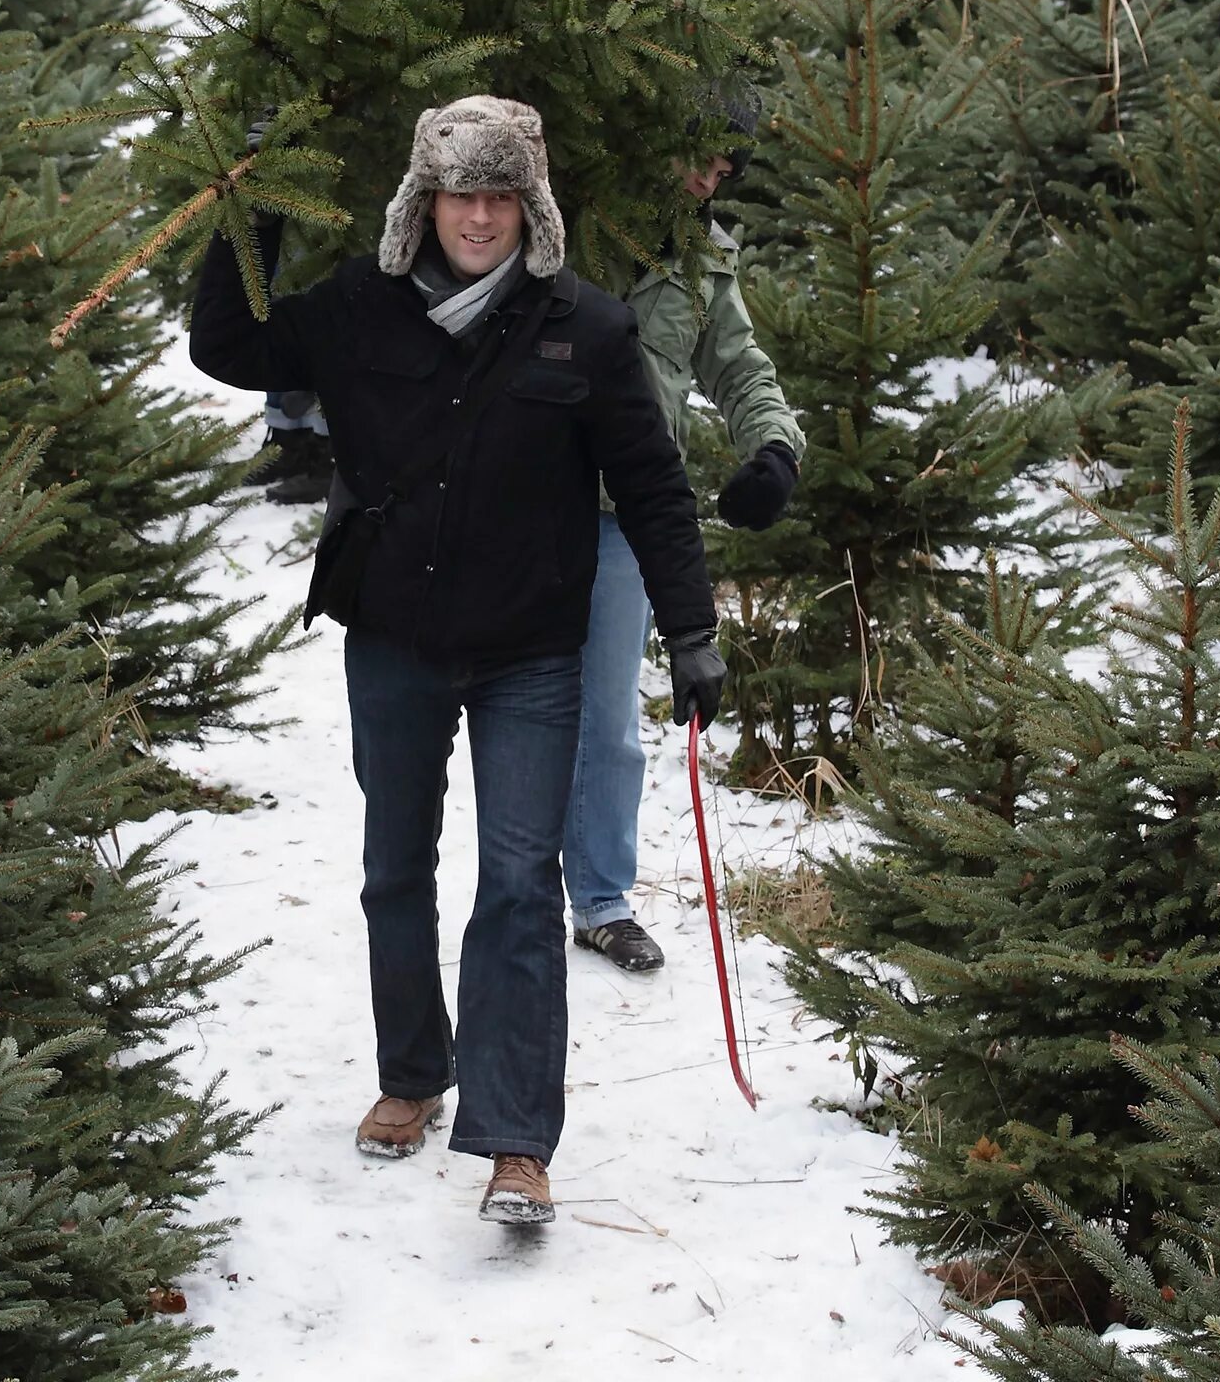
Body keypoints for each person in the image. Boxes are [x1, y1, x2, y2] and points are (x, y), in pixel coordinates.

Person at [189, 95, 725, 1228]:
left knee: (522, 885)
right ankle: (413, 1071)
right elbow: (229, 346)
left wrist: (690, 628)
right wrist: (256, 205)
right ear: (421, 201)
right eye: (458, 193)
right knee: (394, 865)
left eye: (499, 195)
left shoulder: (587, 327)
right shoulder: (357, 308)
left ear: (530, 205)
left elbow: (653, 486)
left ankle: (517, 1140)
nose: (478, 217)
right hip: (394, 637)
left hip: (532, 650)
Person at [567, 114, 803, 975]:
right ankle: (497, 888)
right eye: (695, 157)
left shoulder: (706, 258)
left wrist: (774, 450)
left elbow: (739, 368)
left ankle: (599, 899)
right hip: (520, 505)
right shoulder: (571, 216)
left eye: (723, 168)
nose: (709, 180)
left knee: (609, 719)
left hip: (626, 515)